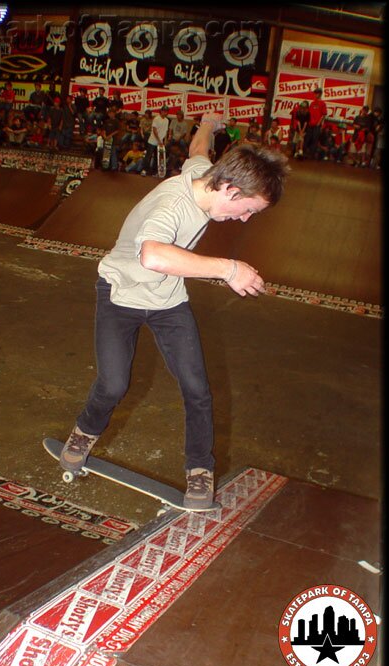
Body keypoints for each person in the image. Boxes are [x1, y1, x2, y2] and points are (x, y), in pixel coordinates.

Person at [56, 111, 290, 509]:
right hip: (121, 294)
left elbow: (198, 149)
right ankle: (83, 433)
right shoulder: (171, 205)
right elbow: (152, 256)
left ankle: (199, 471)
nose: (245, 219)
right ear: (230, 190)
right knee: (113, 384)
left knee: (198, 390)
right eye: (248, 209)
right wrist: (228, 268)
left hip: (167, 302)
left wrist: (210, 124)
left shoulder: (205, 175)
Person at [141, 105, 170, 176]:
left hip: (160, 142)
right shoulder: (156, 119)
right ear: (161, 111)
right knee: (149, 156)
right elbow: (154, 130)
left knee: (157, 158)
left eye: (166, 111)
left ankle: (154, 172)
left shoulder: (167, 121)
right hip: (152, 141)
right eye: (164, 111)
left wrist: (164, 140)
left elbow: (166, 131)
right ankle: (144, 170)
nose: (165, 113)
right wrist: (159, 140)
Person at [303, 88, 327, 157]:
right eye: (315, 93)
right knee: (307, 138)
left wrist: (318, 123)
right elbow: (309, 113)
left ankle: (312, 154)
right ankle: (304, 153)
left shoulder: (322, 103)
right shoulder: (312, 103)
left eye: (317, 93)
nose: (315, 95)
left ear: (320, 94)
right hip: (310, 124)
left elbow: (324, 114)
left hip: (316, 125)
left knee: (315, 139)